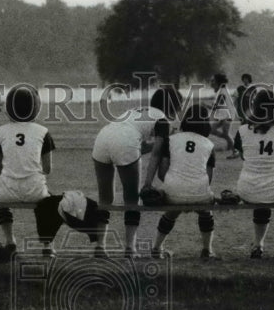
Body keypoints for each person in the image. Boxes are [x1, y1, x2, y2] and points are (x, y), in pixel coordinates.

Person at [91, 84, 182, 257]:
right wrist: (148, 183)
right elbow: (155, 154)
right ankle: (130, 248)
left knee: (105, 198)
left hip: (102, 138)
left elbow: (139, 146)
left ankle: (100, 247)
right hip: (125, 141)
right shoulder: (163, 119)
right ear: (173, 107)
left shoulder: (137, 110)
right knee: (132, 198)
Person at [232, 87, 274, 259]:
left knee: (261, 193)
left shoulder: (243, 130)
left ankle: (258, 243)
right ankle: (265, 244)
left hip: (248, 188)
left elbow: (245, 157)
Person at [147, 105, 218, 259]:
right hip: (200, 193)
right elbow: (209, 178)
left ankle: (156, 248)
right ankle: (207, 250)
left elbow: (162, 172)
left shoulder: (171, 140)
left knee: (172, 211)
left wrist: (175, 183)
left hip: (173, 191)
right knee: (206, 211)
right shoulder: (209, 145)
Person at [0, 84, 55, 252]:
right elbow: (47, 169)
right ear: (35, 107)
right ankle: (47, 245)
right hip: (35, 189)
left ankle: (10, 240)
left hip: (8, 190)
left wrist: (11, 173)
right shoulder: (43, 131)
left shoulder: (0, 131)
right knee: (47, 204)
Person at [208, 72, 236, 154]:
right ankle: (230, 145)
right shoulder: (220, 91)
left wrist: (204, 105)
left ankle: (235, 150)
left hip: (227, 116)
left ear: (217, 82)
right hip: (222, 116)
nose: (211, 82)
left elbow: (216, 106)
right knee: (212, 130)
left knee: (225, 134)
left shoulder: (222, 91)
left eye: (213, 81)